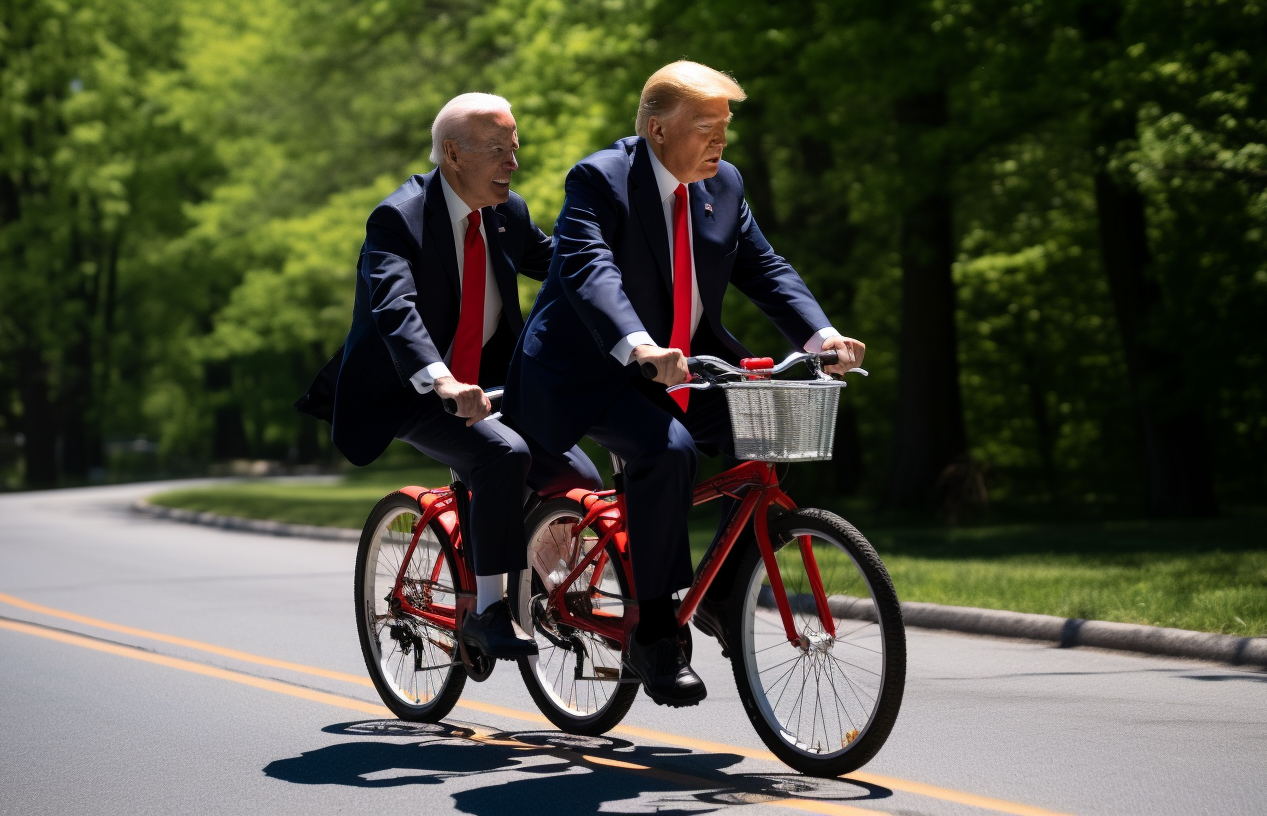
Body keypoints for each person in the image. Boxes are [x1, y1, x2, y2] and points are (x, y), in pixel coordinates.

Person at [502, 62, 865, 707]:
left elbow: (766, 268)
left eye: (724, 127)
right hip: (591, 367)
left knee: (777, 427)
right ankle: (656, 630)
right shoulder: (600, 179)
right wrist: (639, 345)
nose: (719, 142)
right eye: (705, 127)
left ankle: (722, 593)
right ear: (656, 129)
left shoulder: (722, 184)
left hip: (685, 361)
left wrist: (822, 338)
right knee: (666, 451)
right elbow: (590, 271)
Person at [296, 93, 601, 660]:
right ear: (453, 155)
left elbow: (562, 263)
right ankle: (488, 610)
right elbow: (395, 308)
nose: (514, 162)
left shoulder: (507, 214)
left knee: (580, 477)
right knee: (503, 456)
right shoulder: (398, 218)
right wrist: (440, 380)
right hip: (413, 388)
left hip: (489, 384)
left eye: (516, 149)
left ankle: (531, 582)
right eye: (499, 151)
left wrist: (620, 270)